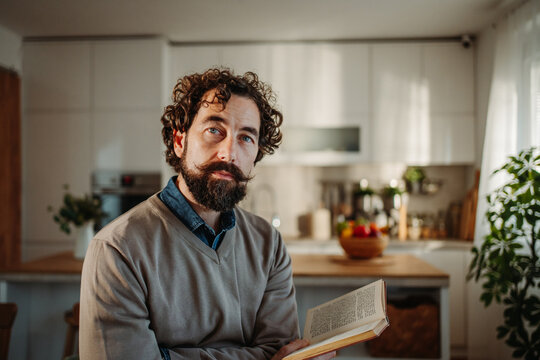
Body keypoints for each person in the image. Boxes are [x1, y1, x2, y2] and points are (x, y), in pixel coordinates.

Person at [79, 68, 336, 360]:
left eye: (246, 138)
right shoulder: (118, 249)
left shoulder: (269, 245)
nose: (229, 153)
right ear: (179, 141)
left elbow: (281, 352)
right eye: (215, 130)